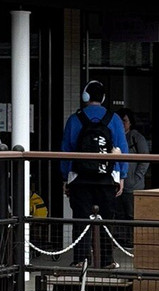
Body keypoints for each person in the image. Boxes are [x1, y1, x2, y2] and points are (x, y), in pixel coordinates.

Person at [60, 80, 129, 268]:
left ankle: (80, 259)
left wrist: (66, 178)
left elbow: (66, 150)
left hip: (79, 177)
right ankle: (107, 260)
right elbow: (122, 148)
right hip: (108, 176)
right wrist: (121, 175)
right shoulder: (113, 118)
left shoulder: (75, 119)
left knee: (81, 219)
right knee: (107, 219)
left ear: (85, 97)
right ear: (104, 98)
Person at [113, 107, 149, 251]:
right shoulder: (115, 136)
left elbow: (145, 159)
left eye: (125, 121)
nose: (122, 124)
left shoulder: (136, 137)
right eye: (120, 121)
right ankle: (121, 239)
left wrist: (137, 177)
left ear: (131, 122)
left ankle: (133, 240)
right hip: (118, 184)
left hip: (133, 185)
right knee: (119, 213)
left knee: (132, 214)